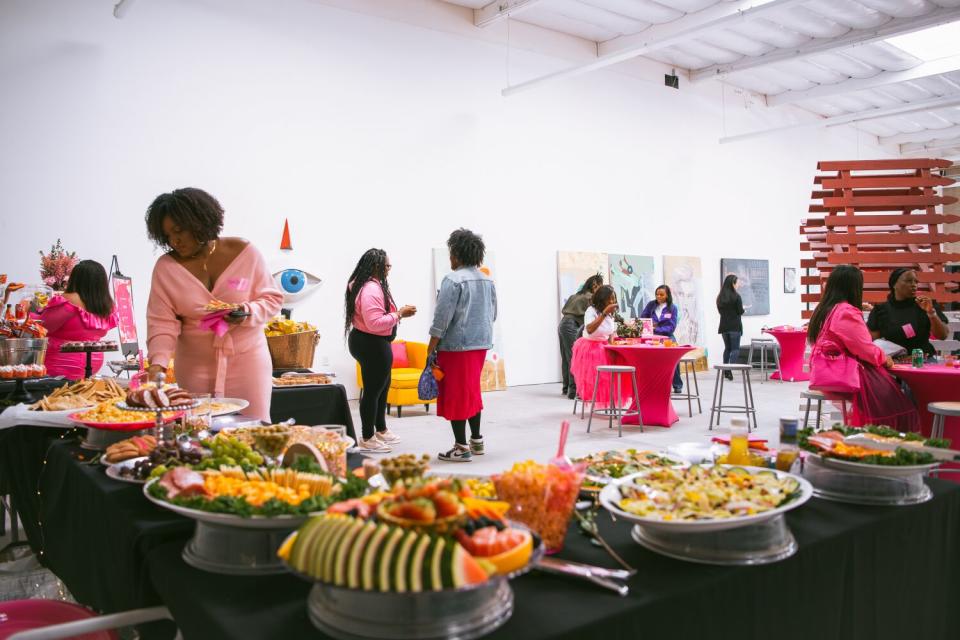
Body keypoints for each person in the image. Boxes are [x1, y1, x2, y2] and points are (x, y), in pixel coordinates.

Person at [145, 188, 282, 423]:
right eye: (167, 235)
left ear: (199, 222)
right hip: (194, 367)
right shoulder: (166, 267)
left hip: (248, 361)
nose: (174, 241)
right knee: (200, 431)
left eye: (179, 231)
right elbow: (161, 323)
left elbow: (272, 300)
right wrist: (157, 364)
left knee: (254, 427)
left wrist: (246, 312)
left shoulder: (245, 252)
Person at [808, 265, 919, 431]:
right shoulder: (846, 311)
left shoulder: (824, 309)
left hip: (826, 371)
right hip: (848, 374)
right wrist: (883, 357)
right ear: (854, 287)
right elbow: (864, 348)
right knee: (894, 403)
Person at [428, 229, 497, 463]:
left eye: (451, 253)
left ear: (457, 254)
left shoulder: (453, 279)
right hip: (480, 344)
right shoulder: (487, 280)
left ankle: (461, 447)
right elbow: (493, 313)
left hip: (456, 346)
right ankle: (476, 440)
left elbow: (442, 319)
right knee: (471, 390)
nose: (450, 258)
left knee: (457, 394)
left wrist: (430, 348)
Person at [345, 249, 417, 453]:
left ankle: (381, 429)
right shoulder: (370, 290)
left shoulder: (366, 285)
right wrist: (399, 314)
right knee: (372, 391)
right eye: (387, 266)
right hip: (372, 344)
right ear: (376, 267)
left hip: (369, 342)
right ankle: (367, 437)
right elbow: (375, 322)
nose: (389, 270)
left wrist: (396, 314)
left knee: (381, 387)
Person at [37, 260, 119, 380]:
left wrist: (31, 311)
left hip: (63, 360)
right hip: (93, 361)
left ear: (75, 278)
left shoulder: (68, 299)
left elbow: (44, 326)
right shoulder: (107, 304)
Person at [868, 267, 949, 357]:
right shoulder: (880, 310)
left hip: (922, 360)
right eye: (908, 281)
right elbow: (874, 342)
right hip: (893, 361)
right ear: (894, 284)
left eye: (916, 282)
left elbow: (943, 335)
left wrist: (931, 313)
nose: (914, 285)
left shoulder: (925, 305)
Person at [569, 285, 620, 409]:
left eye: (614, 299)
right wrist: (603, 314)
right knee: (595, 379)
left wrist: (613, 345)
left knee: (614, 375)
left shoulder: (610, 314)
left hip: (604, 346)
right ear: (602, 299)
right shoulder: (591, 311)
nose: (612, 302)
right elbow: (590, 329)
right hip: (590, 349)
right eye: (610, 299)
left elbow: (610, 332)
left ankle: (611, 404)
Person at [558, 274, 602, 400]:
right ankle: (573, 391)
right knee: (574, 358)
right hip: (571, 325)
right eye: (600, 286)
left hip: (563, 324)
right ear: (595, 285)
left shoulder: (576, 295)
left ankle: (566, 388)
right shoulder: (590, 298)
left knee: (567, 357)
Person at [641, 284, 683, 393]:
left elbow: (671, 327)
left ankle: (677, 384)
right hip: (652, 336)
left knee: (674, 356)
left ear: (667, 295)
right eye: (657, 294)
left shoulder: (673, 308)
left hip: (667, 336)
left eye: (661, 294)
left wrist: (656, 328)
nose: (658, 297)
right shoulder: (651, 305)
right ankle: (651, 383)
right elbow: (643, 318)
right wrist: (650, 327)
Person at [716, 274, 744, 380]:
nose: (738, 285)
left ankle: (725, 369)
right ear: (733, 284)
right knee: (735, 349)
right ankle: (729, 369)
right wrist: (743, 309)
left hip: (724, 326)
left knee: (727, 349)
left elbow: (720, 312)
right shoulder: (737, 297)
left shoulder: (720, 297)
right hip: (735, 326)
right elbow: (740, 311)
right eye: (737, 283)